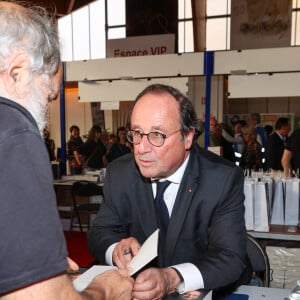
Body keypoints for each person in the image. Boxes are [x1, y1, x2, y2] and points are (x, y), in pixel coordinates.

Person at [0, 2, 133, 299]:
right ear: (17, 71)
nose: (46, 113)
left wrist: (39, 266)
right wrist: (106, 288)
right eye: (49, 95)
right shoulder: (14, 133)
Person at [88, 84, 252, 299]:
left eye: (157, 135)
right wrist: (116, 249)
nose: (141, 148)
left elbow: (230, 257)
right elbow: (100, 231)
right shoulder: (120, 172)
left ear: (188, 137)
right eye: (137, 133)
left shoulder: (222, 178)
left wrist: (173, 278)